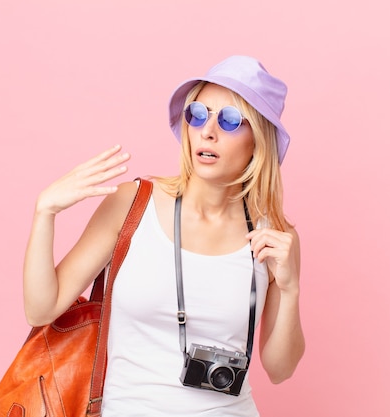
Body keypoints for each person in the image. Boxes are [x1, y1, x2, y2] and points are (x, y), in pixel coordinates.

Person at [23, 55, 305, 416]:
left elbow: (281, 370)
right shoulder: (132, 205)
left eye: (231, 120)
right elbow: (40, 309)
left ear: (258, 140)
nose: (208, 130)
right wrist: (44, 212)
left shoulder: (274, 237)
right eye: (198, 114)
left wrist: (291, 287)